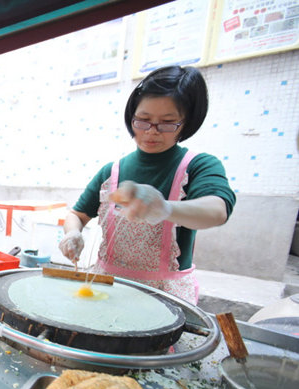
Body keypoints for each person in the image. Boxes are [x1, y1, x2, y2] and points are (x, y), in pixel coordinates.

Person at [58, 65, 236, 304]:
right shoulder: (112, 172)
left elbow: (216, 211)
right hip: (106, 288)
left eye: (166, 123)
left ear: (186, 123)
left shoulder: (198, 165)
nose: (151, 132)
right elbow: (78, 215)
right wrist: (72, 233)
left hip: (164, 295)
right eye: (142, 120)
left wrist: (167, 209)